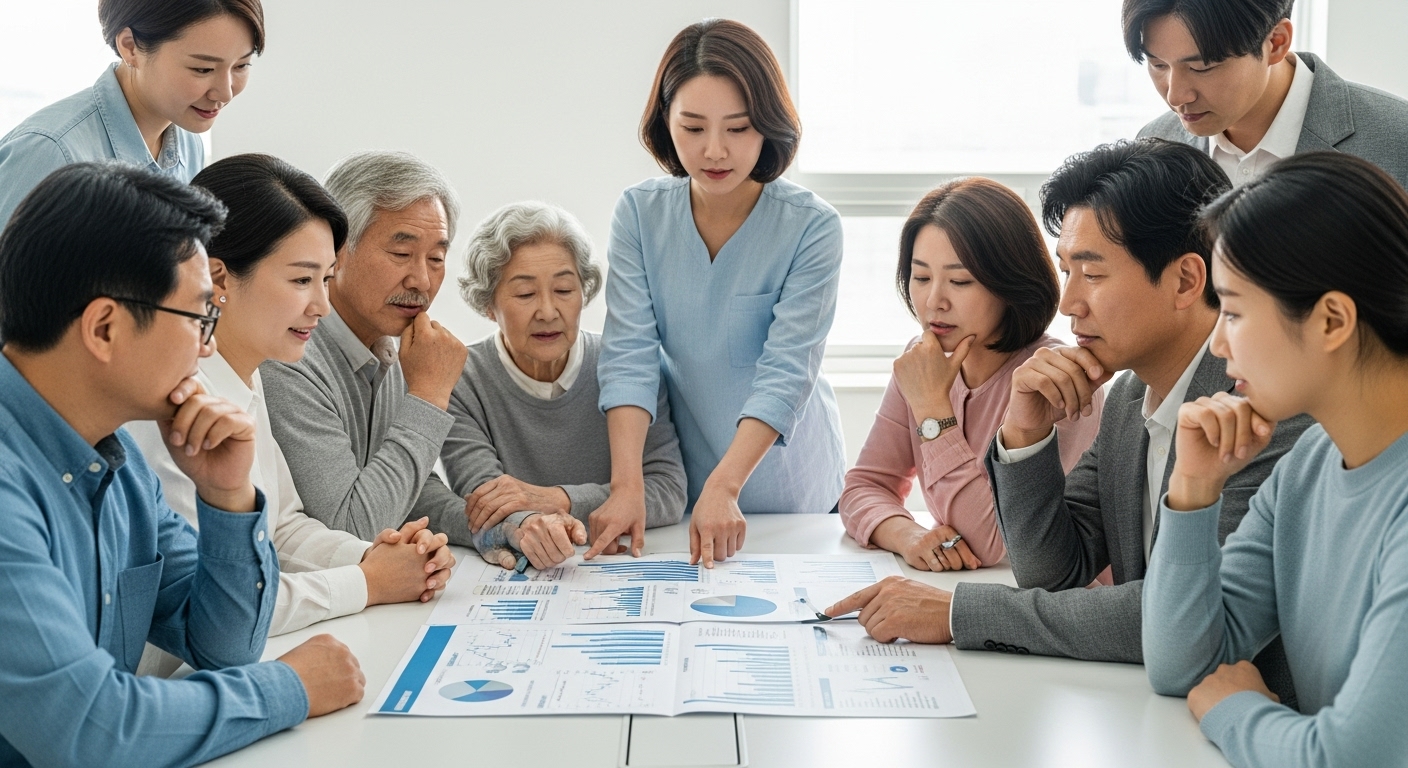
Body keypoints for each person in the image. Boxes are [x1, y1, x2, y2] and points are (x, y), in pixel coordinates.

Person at [826, 139, 1311, 709]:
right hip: (1158, 715)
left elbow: (1183, 616)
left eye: (1093, 274)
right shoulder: (1132, 397)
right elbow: (1052, 572)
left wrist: (958, 612)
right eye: (1065, 271)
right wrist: (1024, 433)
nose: (1069, 303)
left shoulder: (1268, 408)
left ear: (1184, 281)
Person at [0, 162, 362, 767]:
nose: (208, 344)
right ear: (105, 327)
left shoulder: (115, 463)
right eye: (199, 316)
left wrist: (227, 495)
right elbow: (92, 730)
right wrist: (292, 687)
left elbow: (224, 647)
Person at [127, 153, 461, 639]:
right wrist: (365, 581)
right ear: (218, 280)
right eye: (302, 280)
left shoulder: (249, 373)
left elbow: (283, 527)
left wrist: (375, 558)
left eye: (325, 279)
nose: (322, 305)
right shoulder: (173, 402)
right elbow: (221, 601)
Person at [1145, 152, 1408, 767]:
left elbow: (1348, 757)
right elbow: (1183, 664)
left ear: (1332, 319)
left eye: (1233, 311)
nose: (1216, 342)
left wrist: (1237, 709)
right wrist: (1193, 487)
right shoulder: (1312, 461)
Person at [595, 19, 846, 567]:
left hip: (791, 494)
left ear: (768, 126)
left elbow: (787, 371)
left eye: (737, 128)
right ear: (665, 123)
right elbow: (629, 356)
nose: (715, 151)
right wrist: (626, 484)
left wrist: (727, 484)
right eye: (692, 127)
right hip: (690, 489)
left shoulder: (812, 227)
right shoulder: (639, 214)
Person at [839, 178, 1103, 572]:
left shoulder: (1055, 378)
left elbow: (995, 543)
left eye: (960, 281)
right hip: (969, 594)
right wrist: (908, 536)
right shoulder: (921, 359)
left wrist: (932, 411)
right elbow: (864, 487)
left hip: (1059, 610)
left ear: (1009, 284)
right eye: (921, 277)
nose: (933, 301)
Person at [261, 151, 500, 556]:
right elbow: (353, 526)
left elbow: (405, 488)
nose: (421, 279)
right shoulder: (289, 355)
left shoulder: (392, 341)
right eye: (401, 254)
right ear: (336, 250)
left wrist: (498, 527)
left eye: (437, 258)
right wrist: (429, 396)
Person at [443, 202, 687, 569]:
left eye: (564, 290)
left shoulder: (629, 366)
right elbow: (485, 500)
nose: (547, 311)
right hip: (528, 570)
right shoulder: (461, 379)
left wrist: (556, 500)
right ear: (487, 304)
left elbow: (667, 489)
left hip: (621, 562)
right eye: (525, 294)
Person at [0, 0, 265, 229]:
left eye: (241, 65)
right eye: (203, 69)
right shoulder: (51, 153)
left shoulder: (186, 141)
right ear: (130, 47)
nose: (226, 92)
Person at [1125, 0, 1408, 188]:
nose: (1176, 97)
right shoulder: (1155, 145)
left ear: (1275, 42)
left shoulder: (1398, 140)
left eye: (1202, 67)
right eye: (1158, 64)